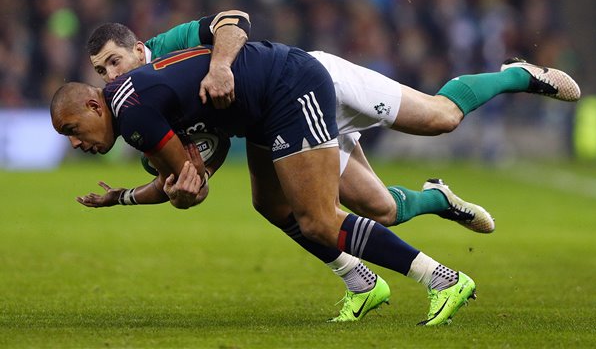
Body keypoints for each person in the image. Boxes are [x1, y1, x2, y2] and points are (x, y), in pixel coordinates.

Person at [51, 42, 479, 326]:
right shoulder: (130, 101)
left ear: (94, 105)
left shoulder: (133, 118)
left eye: (73, 128)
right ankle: (363, 284)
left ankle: (442, 279)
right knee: (271, 205)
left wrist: (183, 188)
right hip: (259, 108)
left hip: (289, 87)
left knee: (318, 220)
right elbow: (185, 173)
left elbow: (190, 184)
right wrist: (123, 197)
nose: (75, 143)